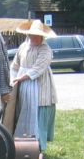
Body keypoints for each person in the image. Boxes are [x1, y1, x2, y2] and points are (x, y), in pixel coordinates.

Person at [9, 19, 58, 151]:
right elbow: (15, 65)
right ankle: (23, 144)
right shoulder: (23, 47)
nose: (35, 37)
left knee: (38, 114)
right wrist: (13, 79)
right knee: (23, 112)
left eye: (38, 35)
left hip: (40, 86)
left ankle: (38, 147)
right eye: (32, 34)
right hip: (23, 86)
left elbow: (37, 69)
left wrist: (21, 78)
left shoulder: (45, 49)